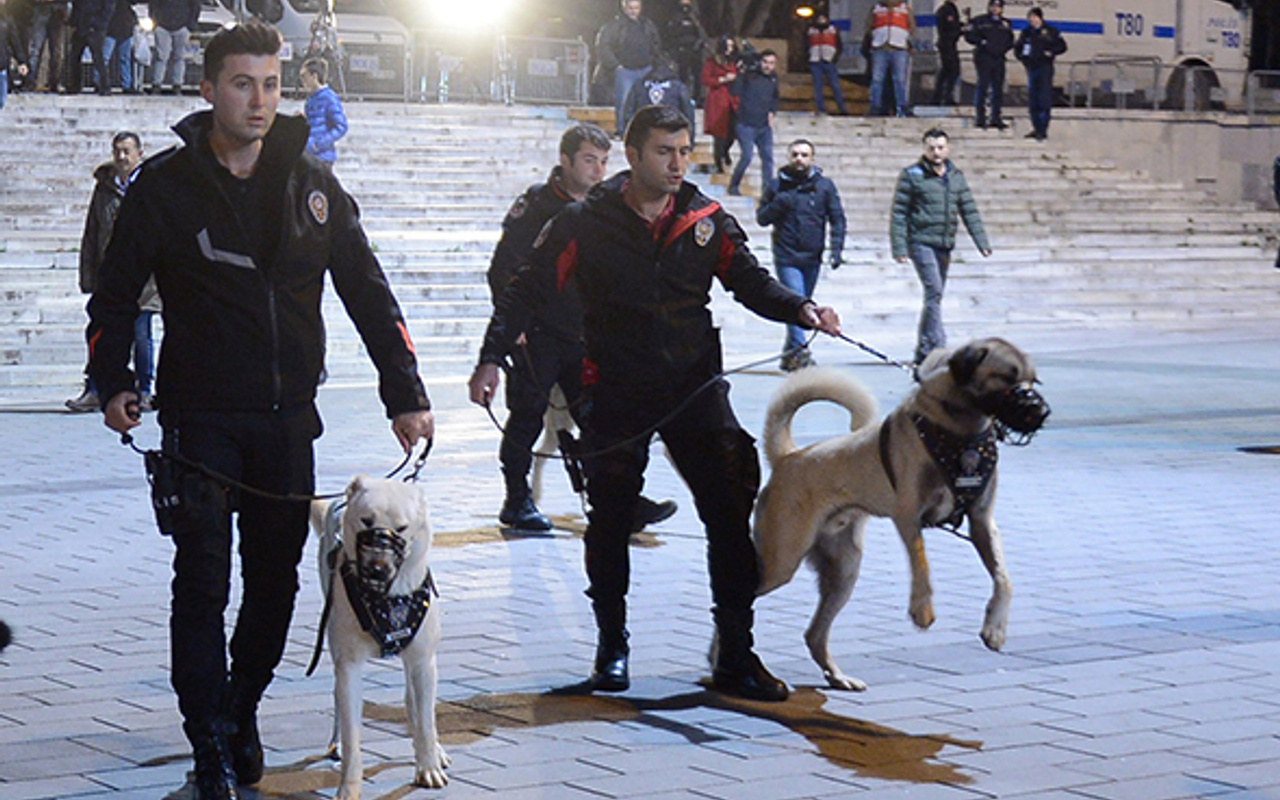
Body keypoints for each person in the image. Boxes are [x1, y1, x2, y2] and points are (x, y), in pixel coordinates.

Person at [86, 21, 432, 800]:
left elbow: (368, 292)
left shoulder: (309, 184)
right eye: (243, 84)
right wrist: (113, 380)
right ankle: (207, 741)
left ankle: (239, 710)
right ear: (208, 90)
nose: (259, 100)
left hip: (287, 421)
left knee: (275, 588)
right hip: (201, 422)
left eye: (272, 85)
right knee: (201, 584)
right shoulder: (166, 188)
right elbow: (112, 295)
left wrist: (405, 393)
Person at [468, 105, 842, 702]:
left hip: (694, 387)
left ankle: (736, 655)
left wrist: (802, 310)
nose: (677, 163)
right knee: (610, 521)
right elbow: (527, 288)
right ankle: (611, 650)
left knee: (727, 512)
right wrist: (491, 357)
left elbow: (748, 281)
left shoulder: (704, 218)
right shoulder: (583, 221)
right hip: (615, 387)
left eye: (684, 151)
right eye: (664, 152)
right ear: (633, 155)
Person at [485, 121, 676, 533]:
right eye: (590, 160)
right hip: (538, 334)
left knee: (598, 420)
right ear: (566, 160)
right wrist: (512, 327)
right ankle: (517, 500)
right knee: (527, 417)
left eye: (604, 162)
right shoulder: (534, 206)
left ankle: (615, 500)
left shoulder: (606, 209)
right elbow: (503, 270)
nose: (598, 170)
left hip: (585, 334)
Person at [67, 132, 156, 413]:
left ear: (139, 154)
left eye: (127, 151)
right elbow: (92, 234)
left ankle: (144, 390)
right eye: (117, 150)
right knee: (99, 334)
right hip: (110, 279)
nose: (121, 157)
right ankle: (94, 389)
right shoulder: (104, 189)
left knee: (141, 336)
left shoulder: (150, 187)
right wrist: (89, 276)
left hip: (142, 280)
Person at [890, 128, 991, 364]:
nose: (936, 152)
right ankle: (938, 346)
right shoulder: (912, 175)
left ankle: (924, 350)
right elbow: (899, 213)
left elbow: (969, 209)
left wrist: (982, 242)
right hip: (921, 241)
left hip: (944, 242)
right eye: (931, 148)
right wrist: (900, 248)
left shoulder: (956, 176)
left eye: (940, 147)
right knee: (934, 290)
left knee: (934, 296)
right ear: (924, 149)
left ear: (948, 148)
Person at [756, 138, 846, 372]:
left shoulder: (824, 186)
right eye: (795, 154)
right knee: (798, 301)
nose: (799, 159)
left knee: (799, 305)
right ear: (789, 157)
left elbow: (837, 218)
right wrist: (780, 204)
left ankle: (789, 355)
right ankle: (801, 354)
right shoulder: (776, 186)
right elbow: (762, 218)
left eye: (804, 155)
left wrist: (836, 249)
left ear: (812, 158)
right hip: (787, 256)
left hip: (812, 256)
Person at [594, 0, 661, 137]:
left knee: (645, 102)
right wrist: (616, 65)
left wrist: (653, 62)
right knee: (623, 103)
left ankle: (644, 133)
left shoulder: (647, 25)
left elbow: (656, 43)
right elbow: (603, 45)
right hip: (625, 71)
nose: (633, 11)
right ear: (624, 7)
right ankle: (622, 131)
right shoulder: (614, 25)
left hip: (645, 69)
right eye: (630, 7)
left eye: (636, 8)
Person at [727, 48, 777, 196]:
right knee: (747, 156)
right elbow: (734, 90)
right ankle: (734, 184)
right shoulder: (749, 75)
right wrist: (740, 73)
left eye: (771, 63)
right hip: (746, 124)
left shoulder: (773, 78)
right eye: (766, 62)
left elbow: (775, 97)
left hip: (764, 125)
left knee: (768, 158)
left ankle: (767, 191)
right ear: (760, 62)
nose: (768, 66)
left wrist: (772, 112)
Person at [1015, 7, 1067, 141]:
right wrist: (1023, 59)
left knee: (1044, 99)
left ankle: (1043, 129)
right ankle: (1036, 127)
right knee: (1033, 100)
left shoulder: (1050, 31)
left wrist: (1050, 52)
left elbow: (1062, 46)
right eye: (1030, 17)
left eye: (1034, 17)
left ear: (1040, 18)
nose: (1032, 20)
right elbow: (1018, 48)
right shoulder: (1026, 33)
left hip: (1045, 67)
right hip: (1032, 68)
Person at [965, 0, 1014, 130]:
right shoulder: (980, 21)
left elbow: (1010, 40)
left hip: (999, 58)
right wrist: (982, 42)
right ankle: (980, 118)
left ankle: (995, 117)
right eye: (993, 6)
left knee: (997, 89)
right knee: (983, 86)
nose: (995, 9)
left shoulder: (1005, 23)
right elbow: (969, 35)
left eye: (998, 7)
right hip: (984, 57)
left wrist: (1002, 49)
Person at [621, 56, 695, 136]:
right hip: (671, 134)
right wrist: (690, 139)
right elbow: (688, 114)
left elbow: (628, 113)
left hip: (644, 134)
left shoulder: (639, 85)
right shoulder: (678, 87)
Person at [866, 0, 915, 117]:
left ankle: (902, 107)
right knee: (877, 79)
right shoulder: (876, 8)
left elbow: (911, 26)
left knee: (899, 80)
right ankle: (875, 107)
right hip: (880, 47)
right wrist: (875, 37)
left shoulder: (905, 9)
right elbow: (868, 26)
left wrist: (904, 38)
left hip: (898, 48)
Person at [700, 33, 738, 174]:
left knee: (733, 132)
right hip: (718, 100)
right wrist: (722, 79)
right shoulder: (712, 61)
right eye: (727, 46)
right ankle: (719, 162)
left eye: (732, 46)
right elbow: (705, 79)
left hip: (733, 100)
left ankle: (725, 152)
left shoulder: (735, 62)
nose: (729, 49)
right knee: (719, 134)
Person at [301, 56, 347, 166]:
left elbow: (341, 126)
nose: (303, 81)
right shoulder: (311, 98)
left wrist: (319, 144)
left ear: (314, 76)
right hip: (310, 155)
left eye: (304, 76)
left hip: (323, 157)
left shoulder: (329, 98)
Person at [148, 0, 200, 94]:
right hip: (163, 27)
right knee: (162, 57)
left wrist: (190, 25)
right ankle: (157, 84)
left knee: (179, 57)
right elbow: (153, 4)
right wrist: (155, 22)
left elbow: (195, 6)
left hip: (181, 28)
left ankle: (176, 84)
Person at [662, 0, 704, 103]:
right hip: (681, 50)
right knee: (682, 75)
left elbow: (701, 32)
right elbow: (670, 33)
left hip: (695, 50)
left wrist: (698, 44)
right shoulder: (674, 14)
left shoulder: (694, 14)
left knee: (697, 76)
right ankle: (682, 99)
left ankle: (696, 98)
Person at [67, 0, 112, 95]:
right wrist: (73, 23)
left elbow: (108, 9)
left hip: (95, 28)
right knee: (74, 57)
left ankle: (105, 86)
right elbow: (77, 6)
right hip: (81, 27)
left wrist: (98, 24)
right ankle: (75, 85)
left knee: (98, 58)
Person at [805, 13, 847, 116]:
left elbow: (839, 46)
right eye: (820, 18)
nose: (821, 21)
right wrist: (808, 58)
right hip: (815, 62)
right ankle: (821, 109)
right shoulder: (810, 31)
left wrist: (834, 58)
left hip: (829, 62)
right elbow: (805, 46)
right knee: (818, 87)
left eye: (823, 18)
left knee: (835, 86)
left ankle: (842, 108)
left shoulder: (833, 30)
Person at [27, 0, 68, 93]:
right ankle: (31, 81)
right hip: (42, 10)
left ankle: (54, 82)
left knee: (55, 51)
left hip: (56, 12)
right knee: (36, 49)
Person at [930, 0, 962, 106]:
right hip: (947, 43)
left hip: (948, 43)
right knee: (953, 70)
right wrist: (961, 29)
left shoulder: (948, 9)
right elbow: (949, 27)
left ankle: (938, 97)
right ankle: (945, 96)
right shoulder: (947, 9)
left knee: (946, 71)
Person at [103, 0, 137, 92]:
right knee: (124, 59)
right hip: (123, 27)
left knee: (105, 58)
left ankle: (100, 82)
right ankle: (127, 84)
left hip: (111, 27)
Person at [0, 0, 29, 107]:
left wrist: (22, 62)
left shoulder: (7, 19)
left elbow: (15, 42)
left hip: (1, 66)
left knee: (1, 101)